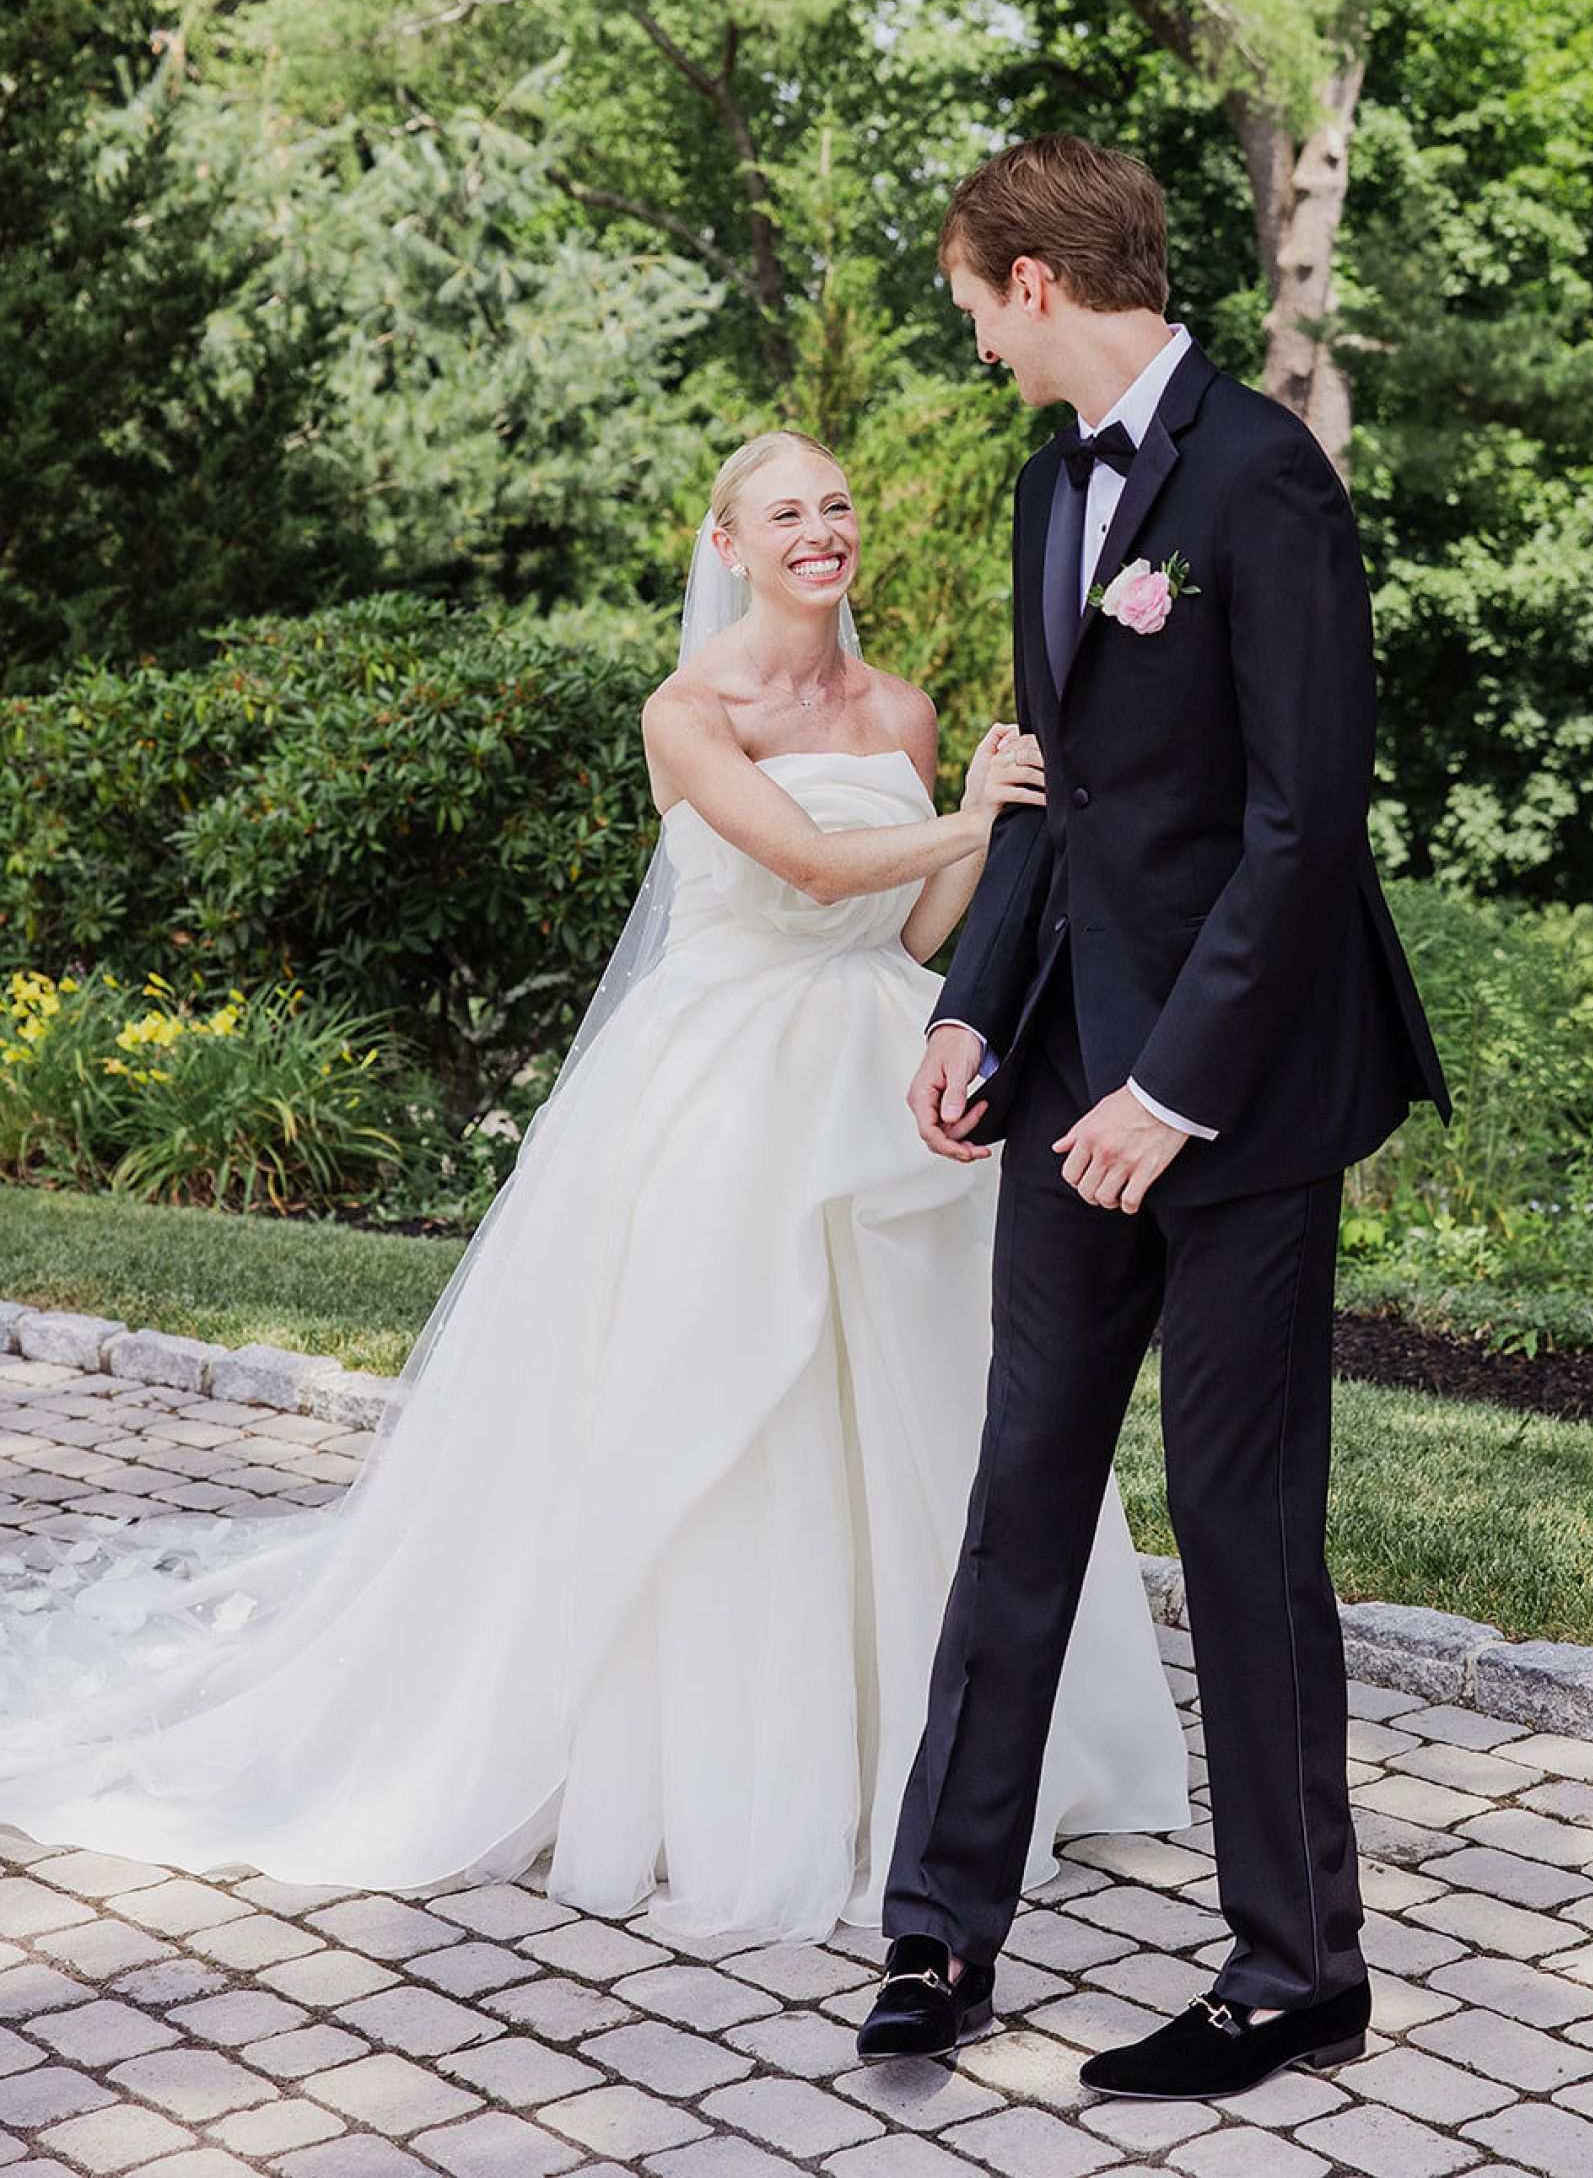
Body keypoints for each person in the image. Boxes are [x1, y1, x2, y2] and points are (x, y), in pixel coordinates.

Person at [0, 429, 1190, 1944]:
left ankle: (937, 1737)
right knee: (713, 1394)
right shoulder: (687, 710)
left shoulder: (897, 703)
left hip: (871, 1066)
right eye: (785, 514)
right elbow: (807, 870)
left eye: (835, 507)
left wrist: (958, 805)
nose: (820, 531)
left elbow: (901, 935)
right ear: (729, 544)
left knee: (934, 1397)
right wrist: (987, 814)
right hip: (719, 1084)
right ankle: (707, 1759)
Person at [856, 136, 1450, 2093]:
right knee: (1021, 1492)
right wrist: (974, 1013)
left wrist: (1168, 1091)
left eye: (970, 303)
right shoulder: (1050, 488)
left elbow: (1303, 829)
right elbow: (1050, 789)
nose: (970, 339)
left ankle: (1295, 1974)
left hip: (1238, 1100)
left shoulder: (1265, 481)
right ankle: (942, 1937)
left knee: (1243, 1521)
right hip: (1060, 1084)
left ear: (1038, 284)